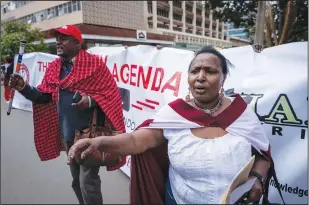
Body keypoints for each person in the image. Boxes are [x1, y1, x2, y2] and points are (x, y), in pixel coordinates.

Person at [68, 46, 284, 204]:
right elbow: (136, 140)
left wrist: (256, 179)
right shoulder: (174, 113)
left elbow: (262, 155)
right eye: (195, 71)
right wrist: (98, 142)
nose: (200, 77)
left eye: (210, 71)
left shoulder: (241, 112)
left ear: (223, 78)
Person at [8, 25, 125, 204]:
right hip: (67, 135)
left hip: (89, 135)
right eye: (57, 37)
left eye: (63, 38)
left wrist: (90, 101)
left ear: (77, 43)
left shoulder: (95, 64)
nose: (58, 41)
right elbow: (42, 97)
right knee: (76, 181)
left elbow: (111, 94)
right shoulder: (54, 68)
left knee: (88, 182)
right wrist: (23, 87)